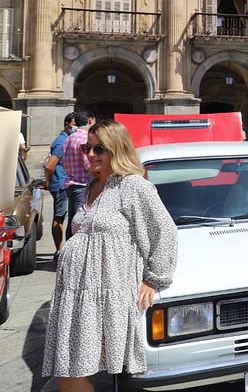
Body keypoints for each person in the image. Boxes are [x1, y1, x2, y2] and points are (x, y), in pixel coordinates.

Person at [42, 119, 178, 390]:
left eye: (99, 149)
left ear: (117, 150)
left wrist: (153, 279)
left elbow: (165, 231)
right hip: (77, 295)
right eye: (87, 148)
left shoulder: (133, 186)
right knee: (68, 369)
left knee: (73, 372)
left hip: (108, 294)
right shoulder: (91, 187)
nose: (90, 155)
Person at [43, 113, 76, 259]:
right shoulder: (62, 142)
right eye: (74, 124)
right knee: (60, 217)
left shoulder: (65, 139)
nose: (75, 127)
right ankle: (59, 250)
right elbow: (50, 166)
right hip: (61, 184)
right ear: (67, 124)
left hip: (63, 183)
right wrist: (49, 181)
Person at [62, 111, 96, 241]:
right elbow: (88, 164)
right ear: (90, 120)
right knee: (80, 225)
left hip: (71, 183)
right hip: (83, 185)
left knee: (72, 222)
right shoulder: (85, 138)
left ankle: (69, 251)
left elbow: (64, 163)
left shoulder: (68, 138)